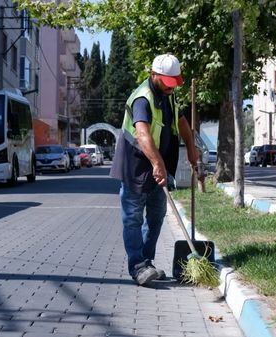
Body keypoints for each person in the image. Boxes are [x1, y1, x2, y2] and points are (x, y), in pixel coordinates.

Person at [110, 53, 199, 285]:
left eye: (174, 83)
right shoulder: (143, 98)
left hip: (159, 164)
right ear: (153, 75)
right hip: (136, 166)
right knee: (133, 218)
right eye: (167, 82)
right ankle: (137, 266)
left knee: (157, 216)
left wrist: (191, 149)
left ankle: (147, 261)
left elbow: (181, 122)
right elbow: (142, 134)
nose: (171, 88)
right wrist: (157, 164)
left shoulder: (168, 94)